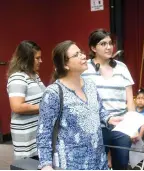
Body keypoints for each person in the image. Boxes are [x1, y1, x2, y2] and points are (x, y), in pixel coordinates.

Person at [37, 40, 123, 170]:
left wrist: (109, 119)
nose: (83, 56)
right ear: (65, 65)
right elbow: (44, 132)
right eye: (76, 55)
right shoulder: (53, 93)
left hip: (99, 162)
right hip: (72, 164)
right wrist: (46, 165)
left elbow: (99, 110)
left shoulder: (90, 84)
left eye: (81, 52)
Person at [82, 28, 135, 170]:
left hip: (121, 127)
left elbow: (130, 100)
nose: (109, 47)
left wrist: (132, 126)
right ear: (93, 48)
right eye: (103, 44)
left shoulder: (122, 67)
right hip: (95, 127)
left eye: (110, 43)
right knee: (95, 165)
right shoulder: (83, 68)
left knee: (122, 165)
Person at [6, 40, 45, 160]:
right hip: (26, 134)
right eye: (37, 58)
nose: (41, 61)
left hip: (37, 131)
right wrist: (45, 108)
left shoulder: (34, 75)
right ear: (26, 59)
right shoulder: (17, 78)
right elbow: (17, 107)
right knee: (29, 164)